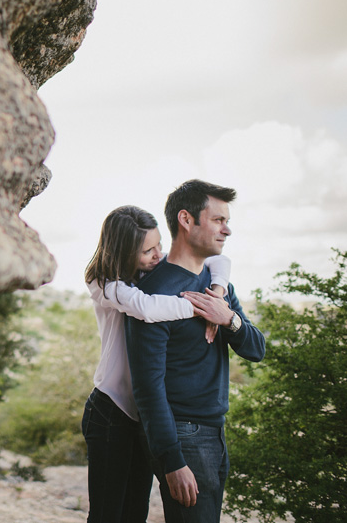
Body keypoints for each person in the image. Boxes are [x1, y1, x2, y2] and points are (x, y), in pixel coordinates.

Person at [81, 205, 234, 523]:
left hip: (143, 417)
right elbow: (147, 308)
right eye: (147, 250)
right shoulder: (105, 283)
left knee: (134, 514)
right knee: (108, 516)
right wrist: (203, 309)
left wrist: (218, 293)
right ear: (123, 252)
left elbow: (219, 260)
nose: (158, 254)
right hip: (111, 411)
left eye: (159, 244)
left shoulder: (150, 271)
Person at [125, 180, 266, 523]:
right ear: (187, 220)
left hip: (215, 430)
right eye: (218, 220)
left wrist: (228, 318)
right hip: (183, 436)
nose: (226, 230)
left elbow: (256, 349)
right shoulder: (154, 294)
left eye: (226, 221)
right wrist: (172, 460)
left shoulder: (219, 287)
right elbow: (147, 386)